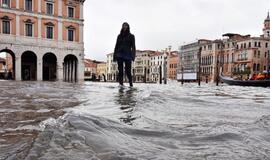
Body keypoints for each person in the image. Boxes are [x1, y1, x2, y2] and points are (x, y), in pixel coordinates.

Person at [113, 22, 136, 87]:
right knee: (120, 71)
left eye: (126, 26)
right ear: (122, 27)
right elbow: (116, 46)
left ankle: (131, 84)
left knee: (128, 71)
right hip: (119, 55)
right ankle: (121, 84)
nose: (125, 27)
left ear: (128, 27)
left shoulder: (131, 36)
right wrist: (114, 56)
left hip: (128, 55)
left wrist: (133, 56)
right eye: (123, 26)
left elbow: (133, 47)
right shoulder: (119, 36)